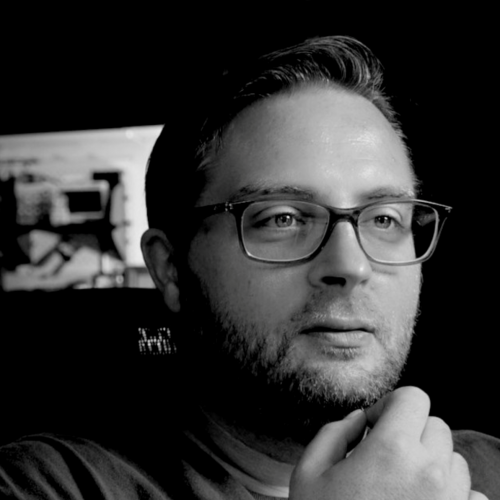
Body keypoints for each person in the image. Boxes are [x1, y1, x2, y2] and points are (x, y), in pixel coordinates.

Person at [1, 35, 499, 499]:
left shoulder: (491, 464)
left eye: (384, 218)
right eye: (282, 218)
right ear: (170, 268)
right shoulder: (45, 484)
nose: (351, 265)